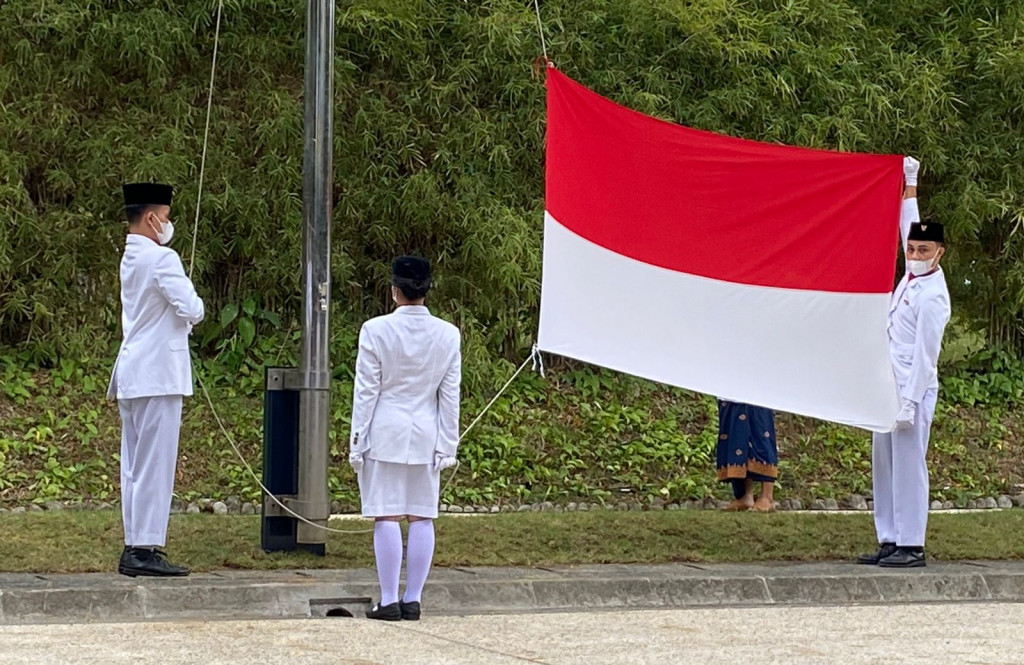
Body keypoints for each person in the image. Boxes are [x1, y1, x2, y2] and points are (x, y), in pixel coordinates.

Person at [349, 256, 461, 621]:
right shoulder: (448, 334)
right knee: (422, 515)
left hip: (385, 429)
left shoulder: (375, 329)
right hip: (427, 431)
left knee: (387, 514)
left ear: (394, 290)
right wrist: (449, 443)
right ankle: (412, 598)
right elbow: (449, 394)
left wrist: (356, 440)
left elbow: (367, 391)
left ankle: (387, 599)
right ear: (427, 290)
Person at [107, 182, 204, 577]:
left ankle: (136, 543)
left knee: (134, 464)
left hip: (134, 372)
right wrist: (189, 309)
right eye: (165, 217)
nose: (168, 224)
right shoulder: (163, 259)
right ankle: (144, 548)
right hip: (158, 374)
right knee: (154, 464)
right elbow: (192, 307)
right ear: (151, 218)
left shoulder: (131, 255)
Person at [858, 156, 951, 568]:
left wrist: (911, 402)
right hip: (888, 385)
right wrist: (909, 183)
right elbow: (906, 225)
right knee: (885, 462)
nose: (913, 253)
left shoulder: (933, 295)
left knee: (910, 464)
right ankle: (889, 537)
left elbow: (926, 358)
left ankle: (912, 543)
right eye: (912, 248)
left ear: (939, 253)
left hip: (913, 389)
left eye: (923, 249)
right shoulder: (912, 278)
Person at [715, 399, 778, 511]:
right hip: (730, 389)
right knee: (735, 435)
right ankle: (744, 496)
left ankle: (767, 497)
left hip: (758, 389)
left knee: (761, 433)